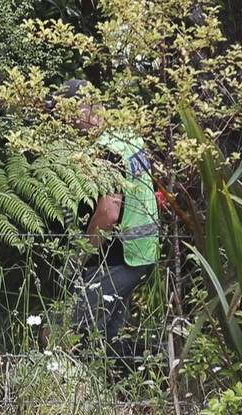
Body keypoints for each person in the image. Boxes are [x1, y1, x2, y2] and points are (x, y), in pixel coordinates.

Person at [63, 80, 160, 345]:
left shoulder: (108, 150)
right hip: (141, 252)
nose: (70, 125)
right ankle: (132, 380)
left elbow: (108, 213)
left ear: (85, 111)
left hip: (119, 256)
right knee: (107, 337)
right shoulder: (129, 138)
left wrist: (80, 257)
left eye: (71, 116)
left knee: (66, 328)